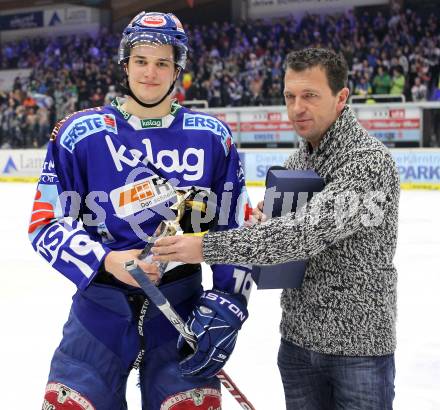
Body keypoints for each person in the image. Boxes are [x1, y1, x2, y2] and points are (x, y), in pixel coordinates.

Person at [152, 48, 400, 409]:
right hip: (299, 346)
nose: (297, 107)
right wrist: (262, 228)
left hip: (357, 352)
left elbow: (302, 236)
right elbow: (281, 253)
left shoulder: (368, 162)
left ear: (341, 97)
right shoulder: (297, 161)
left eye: (310, 96)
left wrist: (206, 247)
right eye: (290, 96)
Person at [28, 11, 252, 410]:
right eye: (141, 61)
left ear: (178, 68)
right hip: (99, 305)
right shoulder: (80, 134)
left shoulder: (212, 137)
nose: (150, 73)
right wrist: (107, 259)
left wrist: (229, 300)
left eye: (162, 62)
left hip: (180, 306)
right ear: (124, 64)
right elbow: (45, 224)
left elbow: (235, 227)